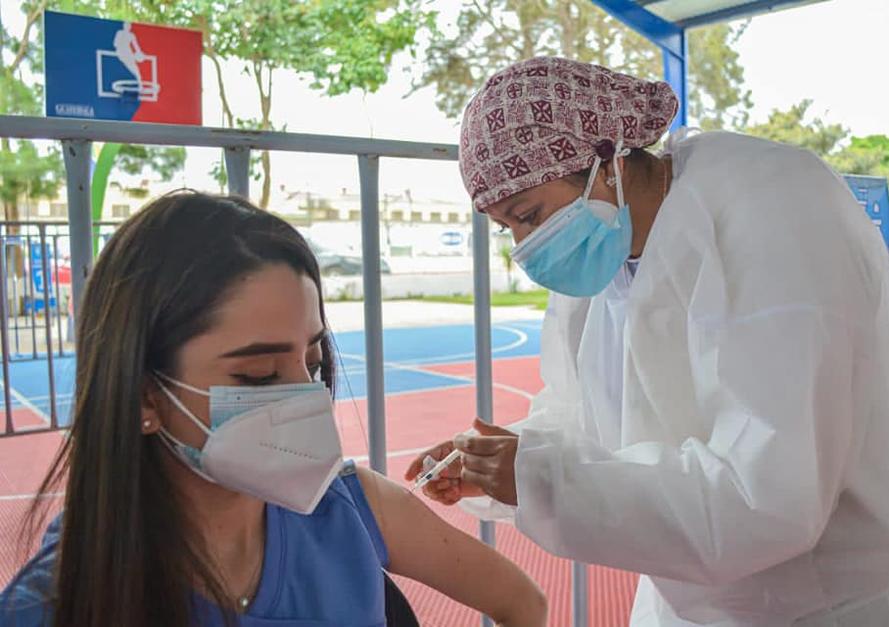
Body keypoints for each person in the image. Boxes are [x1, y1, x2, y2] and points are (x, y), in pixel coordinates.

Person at [406, 56, 889, 626]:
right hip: (690, 599)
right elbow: (576, 416)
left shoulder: (773, 214)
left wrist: (537, 478)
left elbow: (769, 498)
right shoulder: (606, 253)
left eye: (529, 215)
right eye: (507, 229)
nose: (526, 247)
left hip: (833, 605)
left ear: (605, 157)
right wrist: (499, 460)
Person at [0, 191, 547, 627]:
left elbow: (522, 602)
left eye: (312, 362)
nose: (305, 397)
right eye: (256, 376)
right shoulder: (54, 605)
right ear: (145, 394)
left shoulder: (353, 509)